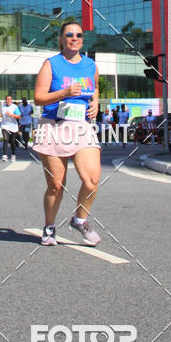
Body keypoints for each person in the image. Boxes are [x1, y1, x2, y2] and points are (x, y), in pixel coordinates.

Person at [33, 21, 101, 246]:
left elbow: (95, 88)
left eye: (79, 35)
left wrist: (96, 103)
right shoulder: (51, 64)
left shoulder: (91, 65)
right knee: (56, 185)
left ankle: (80, 220)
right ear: (61, 39)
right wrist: (64, 92)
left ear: (83, 39)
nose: (74, 38)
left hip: (81, 126)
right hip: (53, 125)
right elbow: (39, 98)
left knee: (91, 180)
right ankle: (50, 227)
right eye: (69, 35)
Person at [0, 95, 21, 162]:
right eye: (6, 99)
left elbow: (19, 116)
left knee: (12, 142)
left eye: (9, 99)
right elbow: (2, 114)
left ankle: (13, 155)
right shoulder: (3, 106)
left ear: (11, 100)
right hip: (5, 126)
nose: (7, 101)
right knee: (5, 139)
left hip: (13, 127)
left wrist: (11, 115)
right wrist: (0, 115)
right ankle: (5, 155)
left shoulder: (14, 107)